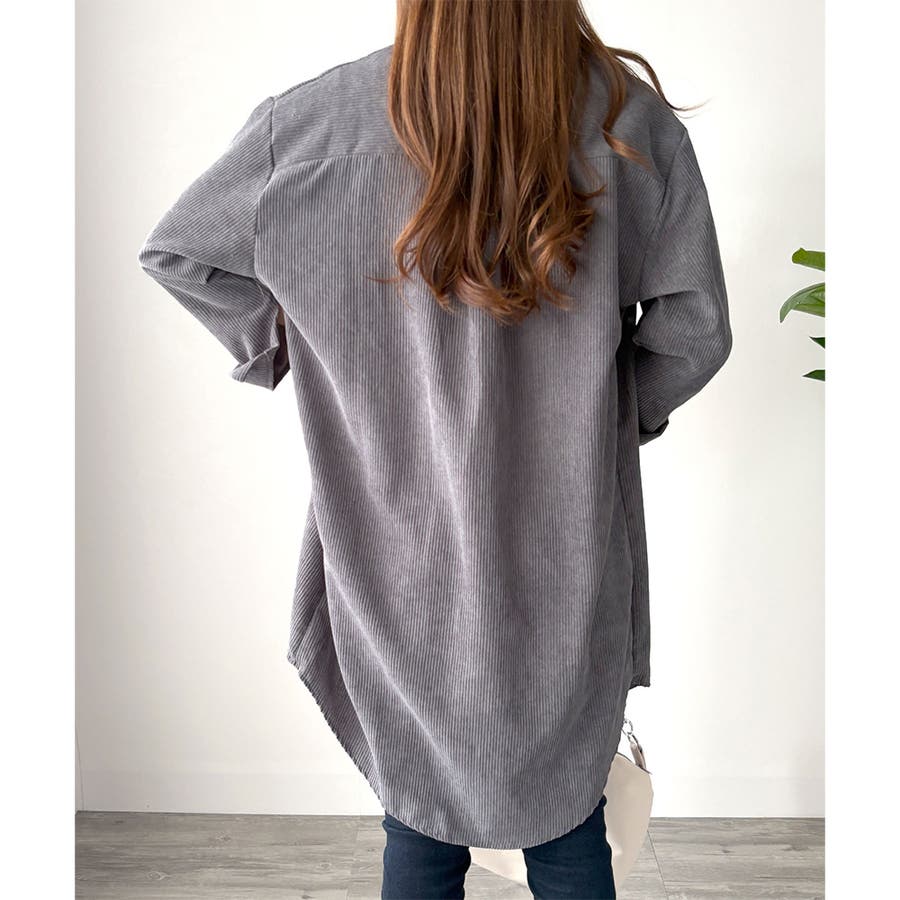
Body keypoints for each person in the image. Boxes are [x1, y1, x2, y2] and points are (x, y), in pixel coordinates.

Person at [137, 1, 732, 897]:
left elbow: (181, 254)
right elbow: (696, 333)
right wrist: (606, 418)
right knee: (570, 822)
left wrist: (301, 350)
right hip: (565, 543)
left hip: (388, 537)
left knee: (417, 820)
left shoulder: (308, 126)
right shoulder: (625, 121)